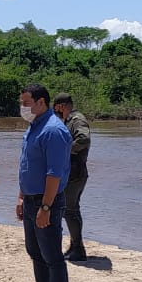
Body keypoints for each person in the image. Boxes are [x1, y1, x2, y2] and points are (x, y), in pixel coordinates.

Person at [16, 83, 71, 282]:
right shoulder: (33, 127)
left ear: (41, 102)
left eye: (26, 102)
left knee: (53, 258)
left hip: (46, 202)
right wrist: (20, 197)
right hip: (30, 200)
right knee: (35, 253)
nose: (22, 107)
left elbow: (54, 174)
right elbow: (27, 166)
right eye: (21, 103)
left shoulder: (54, 131)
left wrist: (46, 207)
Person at [52, 93, 91, 262]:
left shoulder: (77, 119)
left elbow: (84, 139)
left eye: (56, 109)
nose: (56, 112)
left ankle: (79, 249)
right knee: (70, 209)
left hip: (76, 171)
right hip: (72, 170)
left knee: (70, 210)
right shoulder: (69, 121)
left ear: (62, 106)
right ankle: (75, 246)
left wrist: (66, 151)